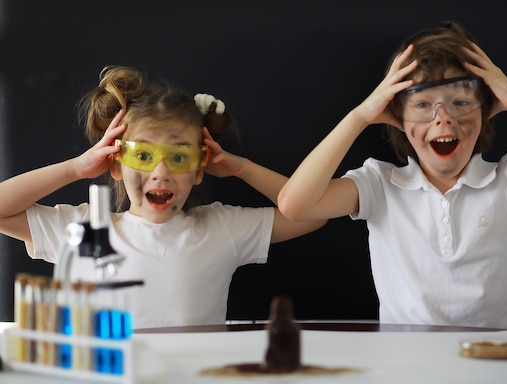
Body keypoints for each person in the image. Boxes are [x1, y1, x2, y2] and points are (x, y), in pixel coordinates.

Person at [277, 21, 507, 329]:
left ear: (486, 109)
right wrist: (360, 116)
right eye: (423, 105)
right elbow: (295, 204)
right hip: (405, 367)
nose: (443, 118)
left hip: (497, 357)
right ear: (397, 117)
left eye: (460, 101)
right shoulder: (379, 184)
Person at [0, 65, 326, 329]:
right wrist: (75, 168)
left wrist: (242, 168)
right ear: (116, 165)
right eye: (143, 156)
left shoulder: (222, 227)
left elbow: (312, 213)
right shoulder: (83, 229)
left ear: (199, 169)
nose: (160, 172)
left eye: (179, 158)